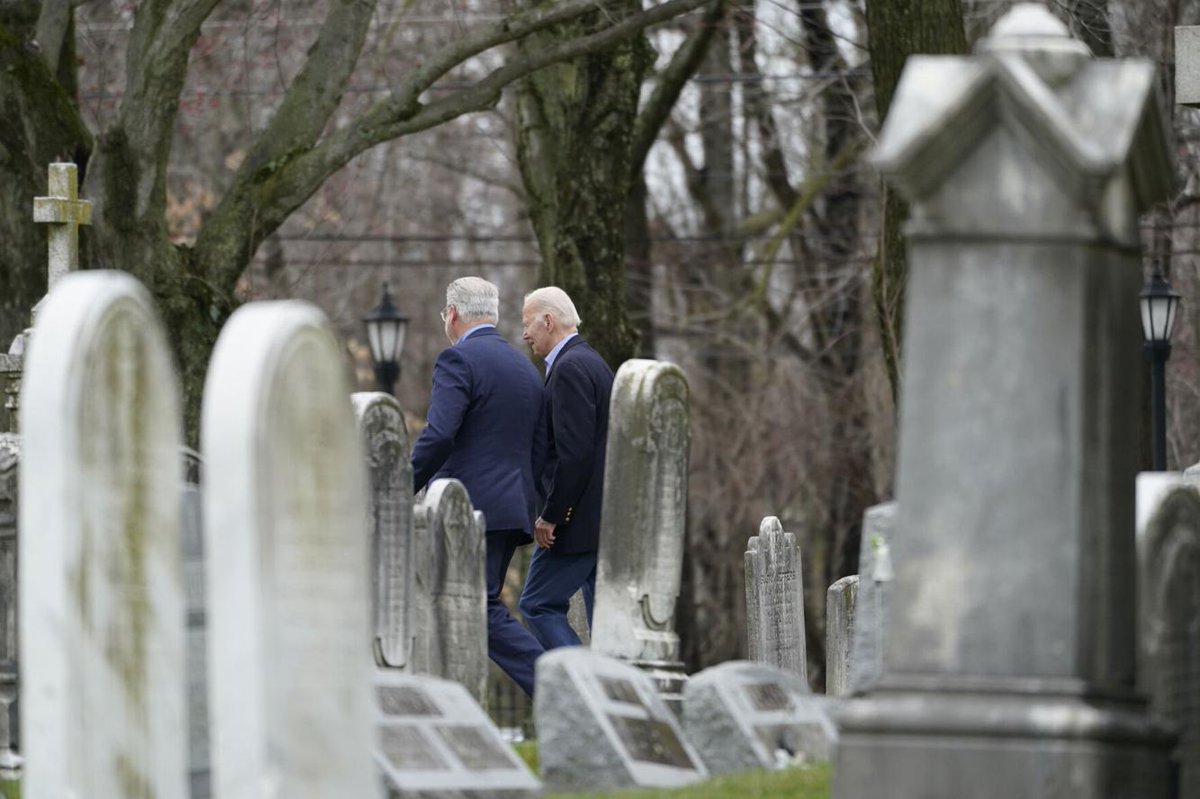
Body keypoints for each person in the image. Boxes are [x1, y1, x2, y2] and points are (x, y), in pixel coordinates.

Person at [411, 276, 545, 696]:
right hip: (512, 507)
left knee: (476, 609)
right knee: (467, 606)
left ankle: (558, 684)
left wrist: (395, 485)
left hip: (468, 509)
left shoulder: (458, 360)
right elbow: (540, 445)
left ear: (452, 314)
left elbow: (440, 435)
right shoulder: (524, 367)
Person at [517, 286, 614, 649]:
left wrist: (554, 515)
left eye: (528, 323)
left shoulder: (570, 367)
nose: (525, 333)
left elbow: (574, 454)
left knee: (537, 605)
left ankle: (584, 684)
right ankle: (611, 691)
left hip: (577, 522)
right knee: (603, 624)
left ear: (548, 320)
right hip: (598, 519)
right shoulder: (589, 360)